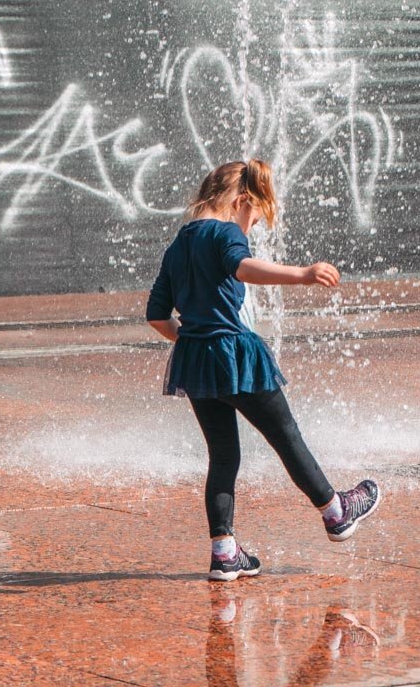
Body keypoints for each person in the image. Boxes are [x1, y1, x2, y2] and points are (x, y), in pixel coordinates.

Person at [146, 159, 382, 582]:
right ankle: (336, 511)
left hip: (196, 361)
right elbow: (243, 267)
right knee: (285, 434)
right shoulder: (225, 233)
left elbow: (157, 315)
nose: (250, 228)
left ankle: (224, 552)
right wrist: (302, 274)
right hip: (236, 352)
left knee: (223, 456)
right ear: (241, 201)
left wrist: (192, 339)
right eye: (254, 217)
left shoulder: (178, 244)